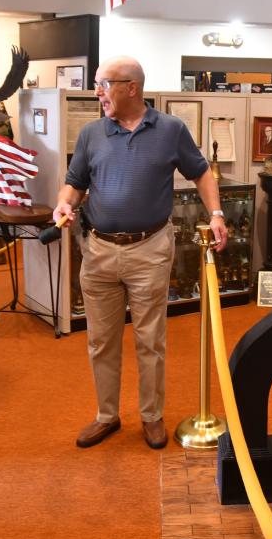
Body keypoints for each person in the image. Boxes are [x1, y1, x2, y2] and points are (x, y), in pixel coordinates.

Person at [53, 56, 227, 450]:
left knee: (150, 339)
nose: (98, 92)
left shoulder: (170, 130)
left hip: (149, 249)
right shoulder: (91, 134)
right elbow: (74, 183)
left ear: (131, 87)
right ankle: (107, 415)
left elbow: (200, 172)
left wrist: (215, 214)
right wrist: (64, 203)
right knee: (101, 340)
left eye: (104, 84)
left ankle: (151, 416)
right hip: (97, 250)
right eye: (97, 85)